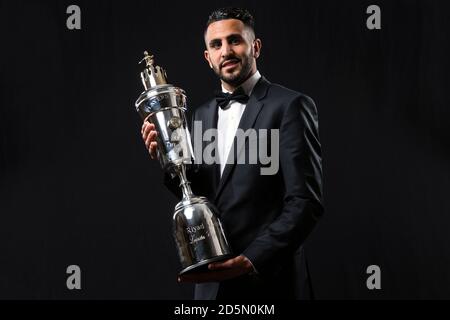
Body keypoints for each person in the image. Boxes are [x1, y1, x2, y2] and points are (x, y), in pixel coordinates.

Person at [141, 7, 324, 300]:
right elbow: (204, 195)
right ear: (208, 57)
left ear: (256, 46)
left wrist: (250, 261)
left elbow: (305, 203)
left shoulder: (290, 105)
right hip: (212, 285)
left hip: (272, 282)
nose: (226, 50)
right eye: (216, 45)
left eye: (235, 40)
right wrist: (166, 159)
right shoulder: (200, 115)